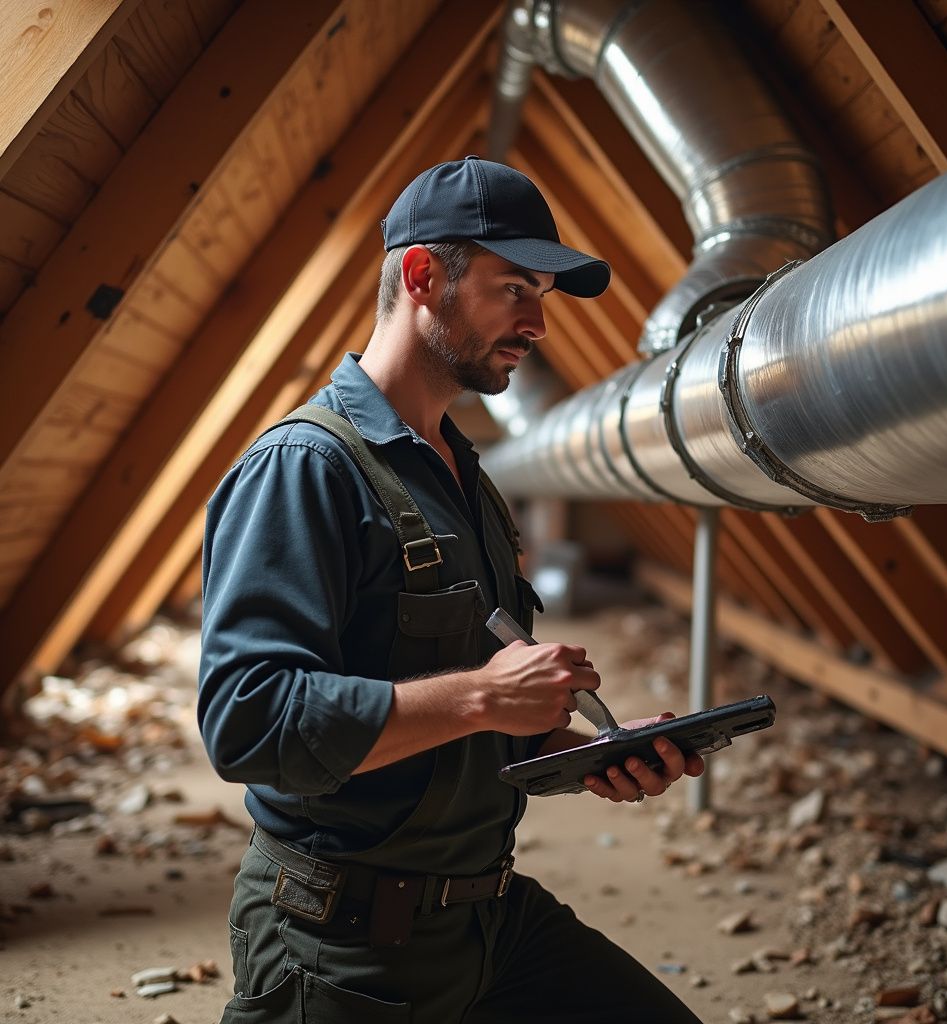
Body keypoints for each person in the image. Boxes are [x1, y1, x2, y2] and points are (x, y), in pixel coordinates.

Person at [198, 156, 705, 1023]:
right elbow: (249, 720)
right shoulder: (306, 469)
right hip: (344, 942)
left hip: (487, 920)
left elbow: (467, 728)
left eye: (541, 293)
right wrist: (480, 697)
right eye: (515, 288)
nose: (539, 322)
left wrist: (572, 753)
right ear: (423, 275)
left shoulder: (460, 476)